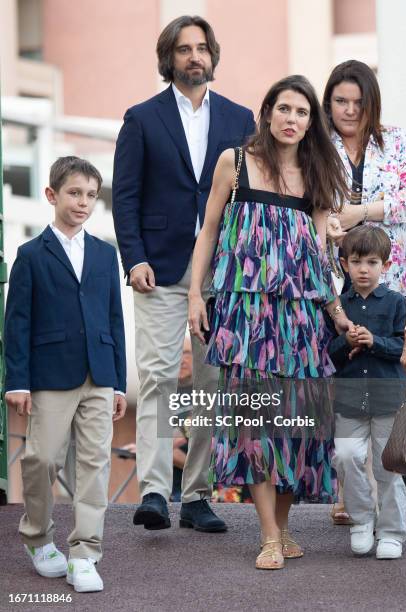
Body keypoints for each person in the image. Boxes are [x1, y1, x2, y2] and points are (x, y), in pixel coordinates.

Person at [188, 75, 351, 570]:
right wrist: (196, 295)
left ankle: (282, 526)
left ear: (310, 123)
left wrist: (338, 315)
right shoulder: (234, 163)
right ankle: (268, 536)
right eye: (284, 109)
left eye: (302, 113)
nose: (292, 119)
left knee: (296, 428)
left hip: (301, 321)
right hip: (244, 316)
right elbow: (210, 230)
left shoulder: (318, 174)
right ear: (267, 112)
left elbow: (321, 258)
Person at [112, 15, 255, 532]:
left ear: (213, 55)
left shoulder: (241, 120)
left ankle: (195, 496)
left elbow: (252, 200)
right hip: (160, 269)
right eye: (184, 49)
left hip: (221, 276)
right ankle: (153, 491)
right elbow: (124, 197)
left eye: (202, 48)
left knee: (211, 387)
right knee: (155, 380)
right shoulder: (141, 119)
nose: (195, 57)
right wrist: (135, 259)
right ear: (168, 58)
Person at [4, 157, 127, 593]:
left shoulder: (104, 253)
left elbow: (114, 319)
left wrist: (118, 382)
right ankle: (37, 537)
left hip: (100, 372)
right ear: (52, 195)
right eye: (75, 193)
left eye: (92, 195)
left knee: (95, 463)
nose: (84, 202)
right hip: (50, 373)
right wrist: (16, 381)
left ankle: (85, 553)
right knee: (42, 458)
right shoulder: (30, 255)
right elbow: (16, 322)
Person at [322, 59, 406, 523]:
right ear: (328, 101)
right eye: (340, 101)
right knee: (348, 372)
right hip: (337, 280)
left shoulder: (396, 141)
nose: (350, 110)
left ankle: (394, 483)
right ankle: (352, 495)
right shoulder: (317, 146)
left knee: (398, 374)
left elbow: (404, 199)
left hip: (396, 280)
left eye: (358, 101)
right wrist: (331, 221)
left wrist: (359, 213)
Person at [328, 225, 406, 559]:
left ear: (385, 266)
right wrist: (344, 342)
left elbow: (400, 349)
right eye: (357, 261)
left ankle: (391, 531)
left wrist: (374, 342)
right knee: (345, 456)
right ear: (345, 264)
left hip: (388, 396)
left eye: (372, 262)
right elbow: (328, 352)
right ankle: (362, 521)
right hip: (349, 397)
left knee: (388, 465)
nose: (364, 269)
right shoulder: (337, 307)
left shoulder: (396, 302)